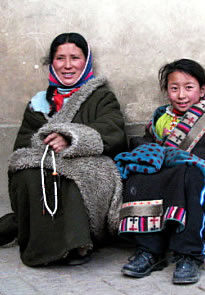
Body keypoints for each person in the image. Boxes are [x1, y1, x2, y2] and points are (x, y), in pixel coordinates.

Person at [115, 59, 205, 284]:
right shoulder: (159, 122)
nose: (181, 95)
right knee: (141, 175)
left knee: (190, 171)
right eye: (174, 88)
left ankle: (189, 254)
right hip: (170, 187)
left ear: (202, 90)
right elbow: (152, 153)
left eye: (188, 87)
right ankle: (150, 250)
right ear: (166, 91)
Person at [0, 32, 127, 266]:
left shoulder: (101, 97)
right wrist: (46, 142)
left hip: (88, 164)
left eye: (75, 58)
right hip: (45, 160)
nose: (67, 66)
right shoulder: (39, 103)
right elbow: (23, 142)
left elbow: (114, 131)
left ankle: (77, 245)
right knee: (27, 173)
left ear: (86, 62)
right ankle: (41, 247)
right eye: (60, 58)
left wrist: (71, 139)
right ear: (52, 63)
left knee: (71, 176)